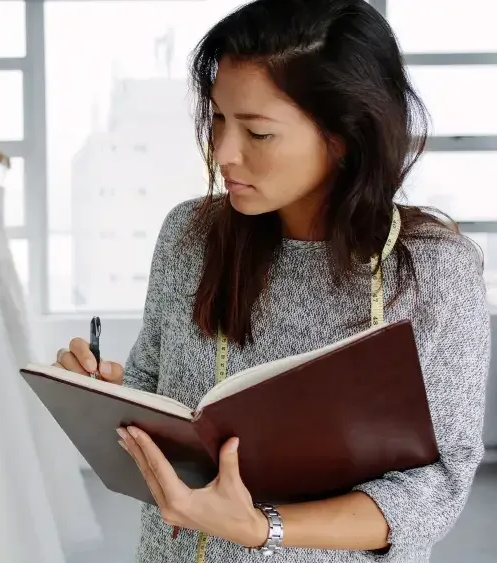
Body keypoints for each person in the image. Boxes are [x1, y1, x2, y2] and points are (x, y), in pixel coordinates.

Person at [53, 0, 491, 561]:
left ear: (344, 136)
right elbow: (155, 393)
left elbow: (438, 485)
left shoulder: (432, 269)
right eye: (217, 119)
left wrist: (264, 528)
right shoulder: (189, 235)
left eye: (257, 133)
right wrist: (105, 398)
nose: (223, 153)